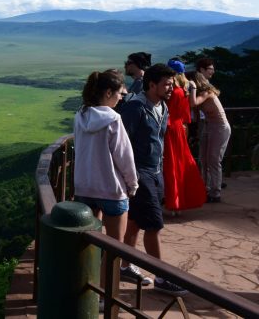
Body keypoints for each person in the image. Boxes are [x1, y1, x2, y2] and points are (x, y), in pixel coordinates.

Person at [119, 63, 188, 296]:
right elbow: (122, 143)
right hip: (141, 174)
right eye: (167, 84)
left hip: (155, 171)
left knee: (135, 223)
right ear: (151, 84)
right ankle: (162, 277)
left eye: (172, 83)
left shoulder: (162, 106)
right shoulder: (135, 108)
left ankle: (125, 266)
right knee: (154, 225)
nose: (171, 88)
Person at [73, 69, 138, 310]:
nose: (122, 97)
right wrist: (132, 184)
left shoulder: (80, 115)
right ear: (108, 92)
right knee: (114, 247)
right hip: (111, 190)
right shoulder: (113, 119)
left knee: (88, 245)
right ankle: (105, 298)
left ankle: (83, 289)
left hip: (85, 188)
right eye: (120, 93)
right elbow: (124, 157)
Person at [162, 59, 207, 214]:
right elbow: (187, 117)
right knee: (180, 164)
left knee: (170, 166)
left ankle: (174, 202)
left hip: (169, 129)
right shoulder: (183, 90)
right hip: (180, 129)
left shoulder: (171, 92)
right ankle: (179, 203)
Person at [188, 72, 231, 203]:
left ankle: (215, 192)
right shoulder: (197, 95)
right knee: (203, 159)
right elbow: (193, 114)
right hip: (208, 126)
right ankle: (204, 188)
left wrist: (192, 88)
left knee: (213, 159)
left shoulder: (207, 93)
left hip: (220, 127)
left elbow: (194, 103)